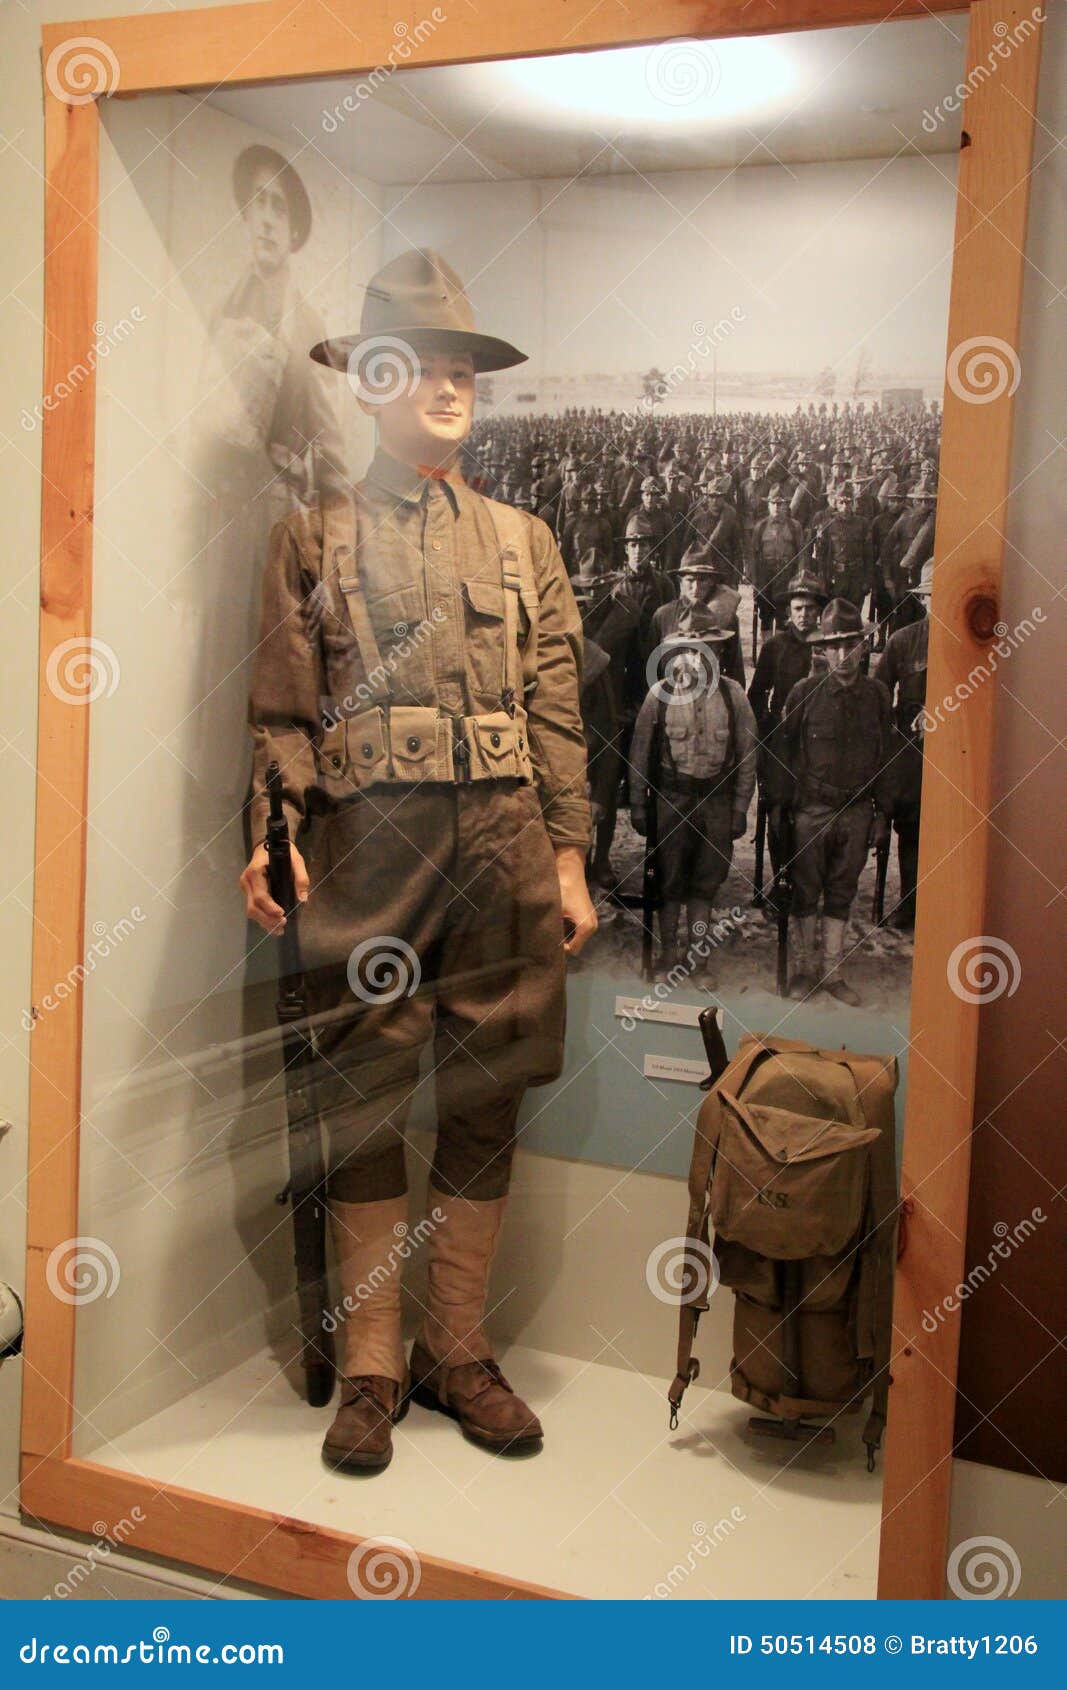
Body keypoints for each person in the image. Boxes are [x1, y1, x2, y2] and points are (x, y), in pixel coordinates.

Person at [239, 248, 596, 1473]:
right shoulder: (308, 538)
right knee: (362, 1093)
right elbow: (282, 716)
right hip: (366, 850)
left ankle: (457, 1347)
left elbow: (555, 710)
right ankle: (374, 1363)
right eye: (424, 370)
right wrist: (270, 836)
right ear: (371, 382)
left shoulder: (522, 542)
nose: (450, 390)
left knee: (488, 1088)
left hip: (499, 846)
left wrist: (567, 859)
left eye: (464, 373)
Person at [781, 598, 893, 1005]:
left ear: (864, 646)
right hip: (812, 809)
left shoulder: (878, 697)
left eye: (851, 645)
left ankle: (832, 972)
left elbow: (886, 759)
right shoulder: (805, 693)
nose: (843, 656)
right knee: (805, 890)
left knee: (843, 891)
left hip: (858, 811)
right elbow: (783, 754)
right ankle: (804, 970)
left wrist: (883, 815)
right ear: (822, 650)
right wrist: (783, 810)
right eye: (834, 646)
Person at [630, 621, 757, 981]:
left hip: (716, 804)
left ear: (718, 654)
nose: (696, 660)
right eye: (688, 651)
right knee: (669, 882)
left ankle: (697, 959)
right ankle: (669, 951)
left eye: (707, 651)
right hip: (672, 800)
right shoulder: (660, 695)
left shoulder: (734, 698)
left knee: (705, 885)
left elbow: (749, 757)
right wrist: (639, 804)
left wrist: (739, 808)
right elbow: (639, 755)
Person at [747, 568, 825, 887]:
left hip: (820, 743)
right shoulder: (775, 646)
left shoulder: (831, 646)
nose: (804, 615)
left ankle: (808, 879)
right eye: (798, 609)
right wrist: (768, 726)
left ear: (819, 611)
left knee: (814, 809)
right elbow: (756, 695)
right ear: (788, 611)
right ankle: (782, 876)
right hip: (781, 741)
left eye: (810, 608)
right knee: (778, 807)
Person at [873, 559, 933, 931]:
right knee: (912, 825)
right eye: (934, 596)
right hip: (913, 750)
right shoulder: (904, 640)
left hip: (960, 750)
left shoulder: (978, 639)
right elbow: (880, 695)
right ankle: (910, 903)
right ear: (924, 600)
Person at [648, 541, 745, 686]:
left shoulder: (727, 619)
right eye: (690, 580)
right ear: (680, 582)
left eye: (702, 580)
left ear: (712, 582)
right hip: (670, 696)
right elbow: (650, 665)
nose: (696, 587)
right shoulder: (663, 616)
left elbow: (734, 670)